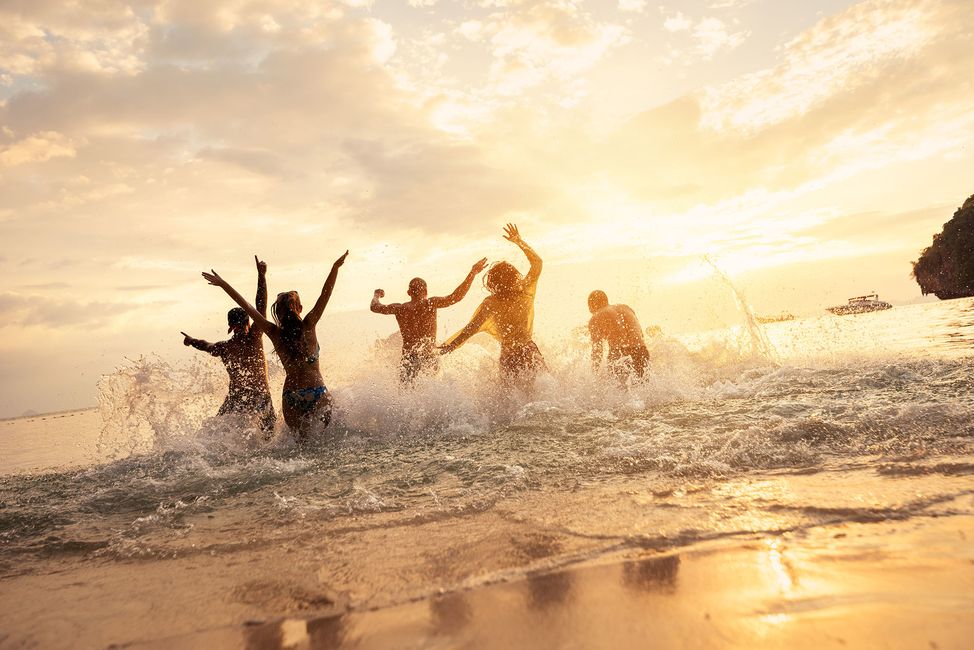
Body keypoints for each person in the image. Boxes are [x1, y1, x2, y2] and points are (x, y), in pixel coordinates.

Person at [202, 250, 348, 438]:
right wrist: (335, 268)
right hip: (317, 390)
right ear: (300, 308)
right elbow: (325, 294)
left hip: (291, 398)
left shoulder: (274, 333)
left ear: (277, 314)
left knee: (300, 449)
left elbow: (246, 306)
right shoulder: (310, 325)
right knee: (334, 438)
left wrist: (223, 284)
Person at [439, 224, 546, 388]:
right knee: (543, 394)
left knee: (510, 403)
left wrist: (451, 346)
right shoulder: (525, 292)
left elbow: (471, 328)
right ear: (515, 275)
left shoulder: (491, 303)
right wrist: (519, 241)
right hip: (528, 351)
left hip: (508, 356)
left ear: (493, 282)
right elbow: (537, 262)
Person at [181, 255, 276, 434]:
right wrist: (192, 341)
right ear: (232, 327)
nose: (240, 330)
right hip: (242, 397)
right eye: (238, 327)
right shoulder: (237, 343)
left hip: (253, 398)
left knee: (265, 437)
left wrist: (261, 277)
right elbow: (205, 345)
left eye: (241, 326)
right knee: (216, 434)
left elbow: (260, 308)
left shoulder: (245, 340)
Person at [371, 258, 488, 384]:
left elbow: (375, 307)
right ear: (426, 292)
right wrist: (473, 272)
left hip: (408, 359)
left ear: (409, 292)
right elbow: (456, 297)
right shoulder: (430, 304)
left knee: (407, 397)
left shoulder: (400, 308)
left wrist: (377, 294)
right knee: (432, 393)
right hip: (429, 356)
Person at [587, 290, 650, 381]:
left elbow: (597, 350)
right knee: (643, 387)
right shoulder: (626, 308)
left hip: (620, 353)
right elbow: (641, 334)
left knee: (618, 390)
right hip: (641, 350)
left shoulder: (596, 317)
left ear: (592, 305)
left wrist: (594, 374)